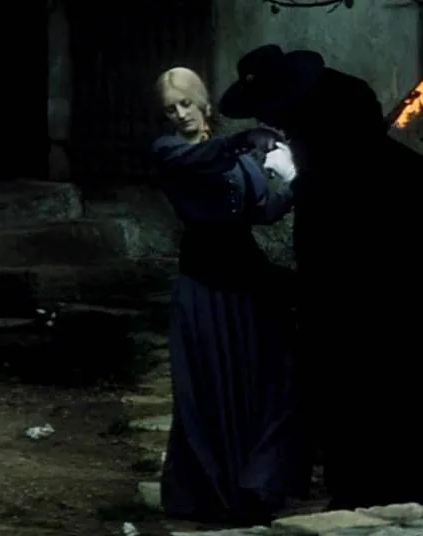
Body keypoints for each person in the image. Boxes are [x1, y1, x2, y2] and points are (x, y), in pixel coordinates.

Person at [219, 45, 423, 509]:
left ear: (309, 128)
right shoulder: (363, 173)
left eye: (287, 130)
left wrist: (275, 286)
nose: (283, 139)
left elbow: (345, 303)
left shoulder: (348, 189)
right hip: (416, 364)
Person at [150, 66, 309, 524]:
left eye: (186, 104)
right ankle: (210, 494)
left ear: (202, 102)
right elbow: (202, 160)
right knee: (209, 389)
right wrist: (245, 140)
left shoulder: (235, 157)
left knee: (265, 381)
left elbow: (263, 211)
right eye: (170, 109)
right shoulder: (170, 152)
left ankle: (256, 483)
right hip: (204, 285)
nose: (180, 115)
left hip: (248, 283)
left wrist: (296, 183)